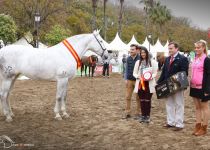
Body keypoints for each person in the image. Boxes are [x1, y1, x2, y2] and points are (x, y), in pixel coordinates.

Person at [157, 42, 189, 131]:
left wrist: (175, 81)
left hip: (178, 85)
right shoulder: (167, 59)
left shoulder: (183, 59)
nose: (169, 50)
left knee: (179, 104)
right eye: (169, 48)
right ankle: (170, 122)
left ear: (176, 48)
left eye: (171, 48)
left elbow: (184, 73)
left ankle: (179, 124)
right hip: (167, 85)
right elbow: (164, 72)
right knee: (169, 104)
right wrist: (159, 82)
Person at [190, 40, 210, 136]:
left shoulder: (206, 59)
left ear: (203, 48)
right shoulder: (195, 58)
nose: (196, 49)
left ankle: (204, 127)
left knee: (204, 107)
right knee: (197, 107)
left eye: (199, 47)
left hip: (203, 87)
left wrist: (207, 89)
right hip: (194, 86)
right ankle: (197, 126)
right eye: (196, 47)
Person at [133, 47, 158, 123]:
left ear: (147, 53)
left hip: (149, 84)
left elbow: (155, 72)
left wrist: (150, 77)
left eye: (144, 52)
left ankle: (148, 116)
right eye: (141, 53)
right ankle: (143, 115)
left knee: (147, 100)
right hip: (141, 83)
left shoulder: (153, 62)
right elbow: (134, 73)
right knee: (142, 100)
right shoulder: (138, 62)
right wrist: (138, 77)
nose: (143, 54)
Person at [122, 44, 140, 119]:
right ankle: (127, 112)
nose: (131, 51)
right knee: (128, 97)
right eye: (130, 49)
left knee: (138, 97)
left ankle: (138, 112)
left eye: (133, 49)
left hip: (137, 81)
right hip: (129, 80)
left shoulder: (140, 58)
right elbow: (126, 70)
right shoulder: (128, 58)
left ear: (137, 50)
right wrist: (125, 79)